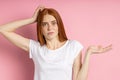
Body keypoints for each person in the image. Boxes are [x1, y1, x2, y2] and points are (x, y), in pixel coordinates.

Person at [0, 6, 112, 80]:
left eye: (53, 23)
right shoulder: (36, 48)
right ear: (40, 28)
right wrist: (32, 20)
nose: (50, 28)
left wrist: (89, 53)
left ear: (59, 26)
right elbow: (3, 29)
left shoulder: (73, 47)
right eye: (45, 24)